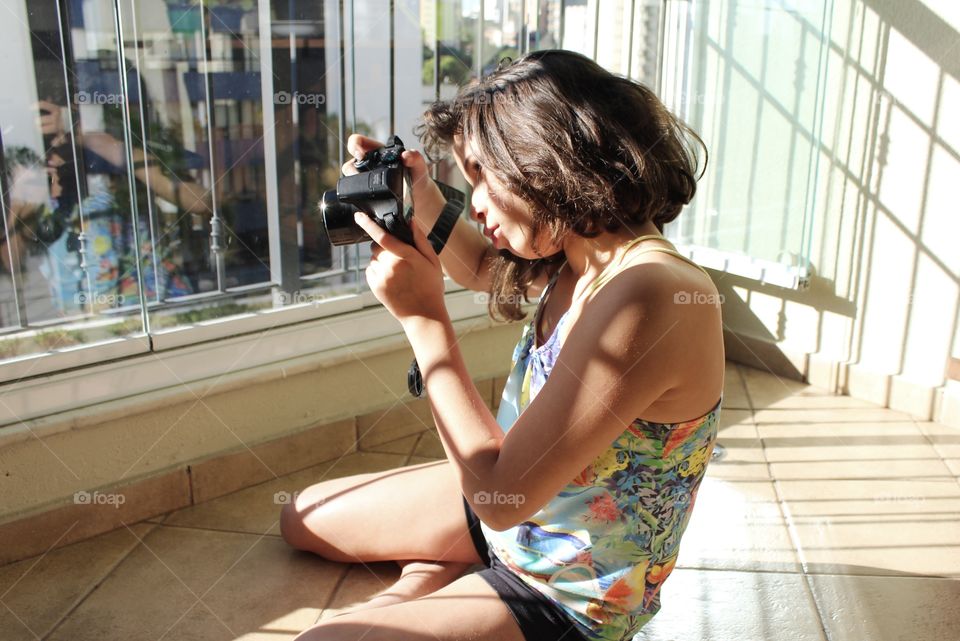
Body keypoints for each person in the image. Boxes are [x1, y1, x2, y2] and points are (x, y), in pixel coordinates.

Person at [280, 49, 725, 641]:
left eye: (484, 179)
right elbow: (484, 264)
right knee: (302, 518)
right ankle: (432, 581)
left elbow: (498, 496)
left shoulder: (652, 294)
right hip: (517, 509)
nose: (479, 205)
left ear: (545, 157)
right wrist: (420, 197)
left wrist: (423, 320)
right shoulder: (582, 253)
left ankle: (433, 589)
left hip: (568, 590)